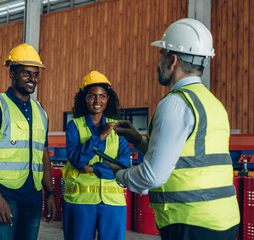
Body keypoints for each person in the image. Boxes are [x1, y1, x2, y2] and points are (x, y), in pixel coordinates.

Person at [110, 18, 240, 240]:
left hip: (189, 221)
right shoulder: (213, 104)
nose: (159, 62)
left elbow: (152, 176)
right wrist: (139, 141)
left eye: (161, 54)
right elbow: (190, 157)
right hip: (224, 221)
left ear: (173, 60)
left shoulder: (175, 103)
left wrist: (119, 174)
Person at [0, 43, 56, 240]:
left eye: (35, 74)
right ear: (12, 73)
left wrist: (50, 193)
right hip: (4, 196)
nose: (32, 79)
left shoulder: (40, 110)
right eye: (26, 73)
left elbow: (43, 154)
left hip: (33, 198)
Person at [62, 71, 131, 240]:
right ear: (84, 99)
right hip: (80, 202)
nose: (98, 101)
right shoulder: (74, 126)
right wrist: (101, 136)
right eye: (92, 96)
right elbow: (77, 160)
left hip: (113, 203)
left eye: (102, 96)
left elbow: (123, 166)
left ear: (108, 99)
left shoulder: (117, 128)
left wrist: (93, 168)